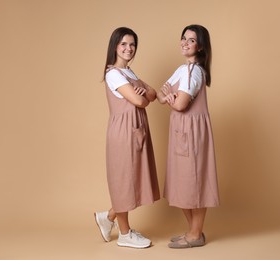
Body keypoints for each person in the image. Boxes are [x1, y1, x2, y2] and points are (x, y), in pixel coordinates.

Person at [94, 27, 160, 249]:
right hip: (123, 131)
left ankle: (108, 217)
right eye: (124, 44)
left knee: (133, 179)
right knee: (124, 180)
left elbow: (153, 94)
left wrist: (141, 91)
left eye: (132, 45)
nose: (129, 48)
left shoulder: (130, 73)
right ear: (115, 46)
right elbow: (142, 101)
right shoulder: (113, 73)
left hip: (136, 129)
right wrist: (141, 93)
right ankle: (124, 234)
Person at [156, 24, 219, 248]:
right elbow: (159, 94)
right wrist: (170, 97)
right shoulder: (182, 70)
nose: (184, 42)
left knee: (195, 181)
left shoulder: (195, 71)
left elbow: (180, 104)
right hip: (181, 130)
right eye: (183, 38)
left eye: (191, 40)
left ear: (200, 47)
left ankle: (195, 234)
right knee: (181, 181)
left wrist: (172, 98)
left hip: (191, 132)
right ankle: (194, 231)